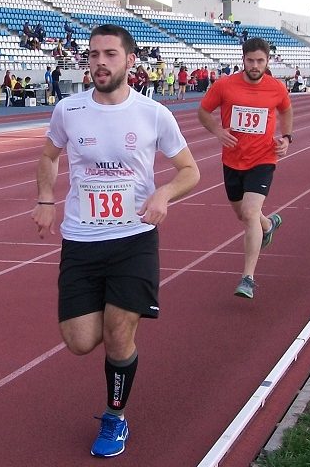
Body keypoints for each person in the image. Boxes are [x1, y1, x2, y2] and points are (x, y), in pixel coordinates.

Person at [32, 24, 200, 458]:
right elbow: (49, 156)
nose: (100, 63)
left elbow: (190, 170)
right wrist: (45, 199)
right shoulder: (68, 110)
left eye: (109, 54)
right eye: (93, 55)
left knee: (119, 332)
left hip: (133, 239)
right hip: (81, 240)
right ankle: (119, 331)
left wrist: (163, 193)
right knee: (80, 342)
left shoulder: (153, 114)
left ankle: (115, 416)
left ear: (129, 61)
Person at [198, 37, 293, 299]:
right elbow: (204, 111)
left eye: (260, 60)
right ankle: (268, 224)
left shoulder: (276, 88)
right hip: (232, 161)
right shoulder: (224, 85)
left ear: (268, 61)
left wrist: (286, 138)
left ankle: (247, 278)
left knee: (250, 213)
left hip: (263, 158)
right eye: (250, 60)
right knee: (244, 215)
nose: (255, 65)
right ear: (243, 60)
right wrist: (218, 131)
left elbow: (286, 111)